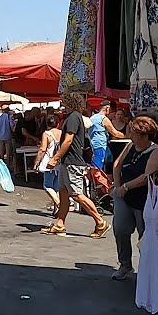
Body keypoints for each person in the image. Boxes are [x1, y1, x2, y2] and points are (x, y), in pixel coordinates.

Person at [44, 97, 110, 238]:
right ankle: (60, 224)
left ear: (70, 102)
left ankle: (100, 222)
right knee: (63, 192)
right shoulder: (74, 117)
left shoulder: (73, 117)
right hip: (67, 161)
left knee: (76, 194)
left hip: (72, 161)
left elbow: (68, 140)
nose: (62, 104)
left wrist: (55, 158)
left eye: (64, 101)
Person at [110, 116, 158, 280]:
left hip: (143, 200)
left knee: (145, 236)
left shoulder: (156, 152)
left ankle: (147, 268)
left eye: (133, 133)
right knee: (120, 229)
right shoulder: (130, 146)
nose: (130, 136)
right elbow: (117, 164)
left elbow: (147, 177)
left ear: (143, 134)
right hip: (124, 197)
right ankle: (125, 265)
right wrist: (118, 186)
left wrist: (126, 187)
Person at [33, 115, 63, 213]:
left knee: (47, 186)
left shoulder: (47, 134)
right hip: (59, 161)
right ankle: (56, 210)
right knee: (56, 187)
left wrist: (36, 162)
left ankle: (58, 203)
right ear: (58, 123)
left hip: (49, 162)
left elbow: (42, 149)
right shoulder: (62, 133)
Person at [88, 100, 125, 170]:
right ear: (107, 108)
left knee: (93, 167)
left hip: (92, 145)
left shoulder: (92, 117)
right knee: (98, 169)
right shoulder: (103, 118)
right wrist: (125, 136)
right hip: (100, 146)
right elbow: (115, 133)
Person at [0, 106, 15, 171]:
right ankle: (8, 167)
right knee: (8, 154)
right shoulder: (9, 116)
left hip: (0, 137)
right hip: (8, 136)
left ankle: (1, 167)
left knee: (0, 154)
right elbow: (12, 126)